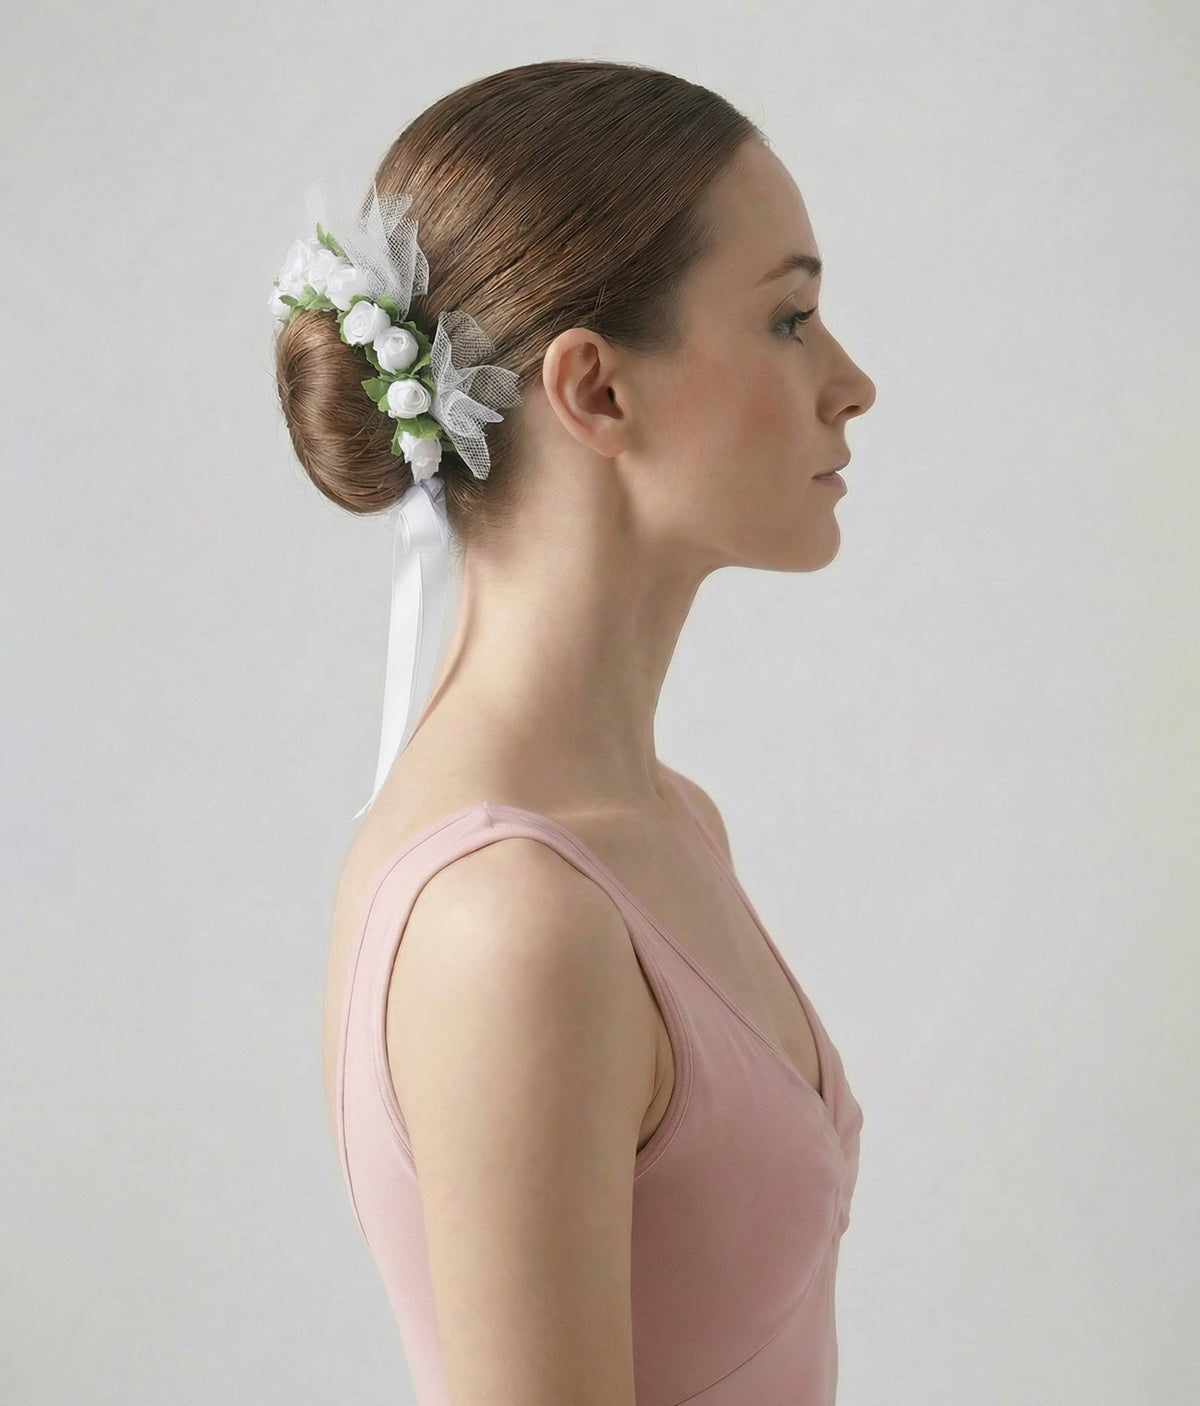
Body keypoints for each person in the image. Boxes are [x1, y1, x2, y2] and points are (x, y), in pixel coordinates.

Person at [272, 59, 875, 1406]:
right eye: (791, 319)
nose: (853, 383)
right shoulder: (514, 920)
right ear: (597, 391)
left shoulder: (666, 825)